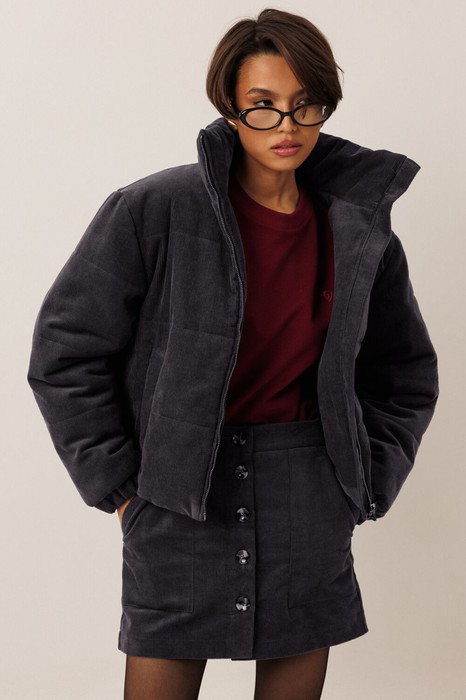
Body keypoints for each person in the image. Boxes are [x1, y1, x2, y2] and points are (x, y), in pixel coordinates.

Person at [27, 8, 439, 700]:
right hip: (180, 495)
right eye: (263, 105)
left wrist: (364, 479)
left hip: (309, 495)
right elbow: (65, 352)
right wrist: (121, 488)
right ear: (229, 107)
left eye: (305, 104)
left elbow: (403, 371)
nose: (287, 125)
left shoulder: (359, 231)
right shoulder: (153, 209)